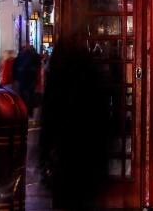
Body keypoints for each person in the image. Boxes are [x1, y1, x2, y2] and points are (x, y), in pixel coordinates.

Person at [39, 31, 110, 211]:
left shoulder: (56, 79)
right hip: (89, 153)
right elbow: (105, 115)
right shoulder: (93, 73)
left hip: (64, 153)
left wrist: (42, 155)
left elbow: (47, 120)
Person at [13, 44, 41, 117]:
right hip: (31, 80)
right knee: (30, 96)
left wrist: (16, 78)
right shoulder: (34, 57)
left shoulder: (20, 57)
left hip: (22, 79)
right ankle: (30, 112)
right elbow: (38, 67)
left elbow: (14, 68)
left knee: (22, 96)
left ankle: (23, 112)